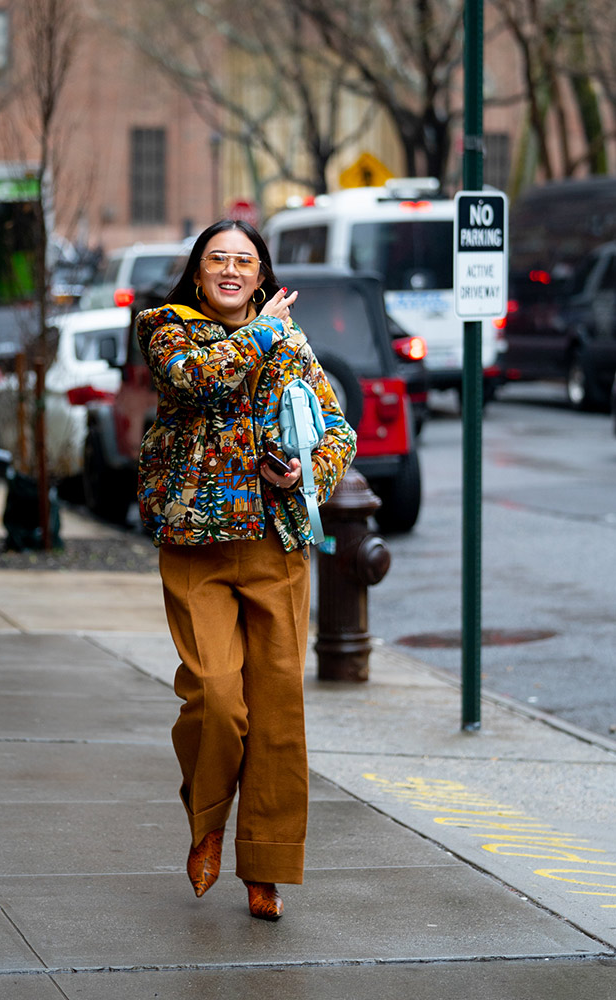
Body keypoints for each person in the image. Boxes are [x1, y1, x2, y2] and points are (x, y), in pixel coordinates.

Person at [136, 219, 356, 920]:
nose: (229, 270)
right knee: (214, 697)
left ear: (260, 275)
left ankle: (265, 867)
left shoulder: (288, 342)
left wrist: (300, 476)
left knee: (277, 714)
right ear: (197, 274)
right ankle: (206, 822)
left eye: (242, 261)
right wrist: (263, 331)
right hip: (196, 544)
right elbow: (198, 381)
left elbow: (336, 428)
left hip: (275, 544)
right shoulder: (166, 329)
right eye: (216, 260)